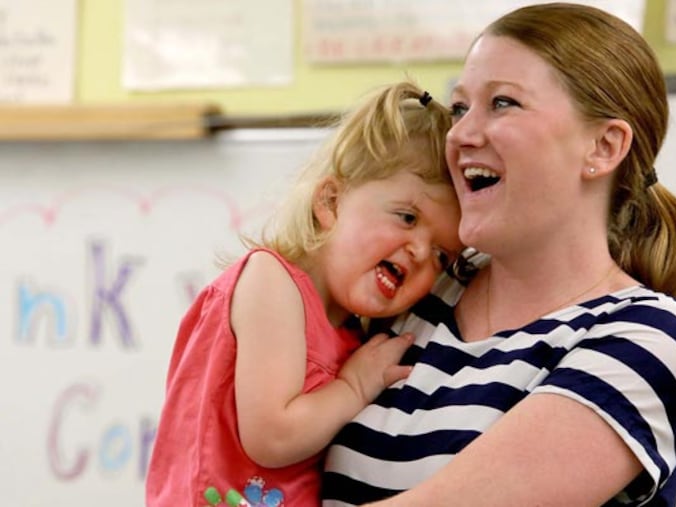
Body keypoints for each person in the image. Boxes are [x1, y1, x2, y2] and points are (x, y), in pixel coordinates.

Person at [322, 3, 676, 506]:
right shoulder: (422, 287)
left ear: (603, 147)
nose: (461, 134)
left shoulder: (650, 341)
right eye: (460, 108)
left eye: (502, 104)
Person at [145, 80, 463, 507]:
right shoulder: (271, 282)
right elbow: (273, 437)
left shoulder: (353, 334)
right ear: (330, 202)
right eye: (407, 217)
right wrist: (354, 387)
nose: (421, 251)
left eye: (442, 256)